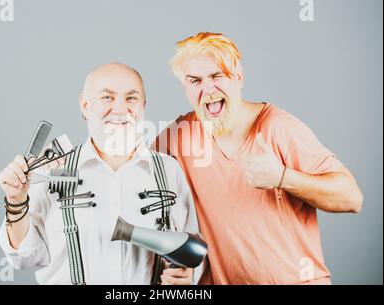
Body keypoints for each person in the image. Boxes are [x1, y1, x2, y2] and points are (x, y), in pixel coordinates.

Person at [154, 32, 363, 284]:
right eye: (195, 80)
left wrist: (283, 177)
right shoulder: (179, 136)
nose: (208, 89)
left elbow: (352, 198)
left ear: (238, 77)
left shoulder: (278, 127)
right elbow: (135, 180)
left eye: (217, 76)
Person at [0, 63, 204, 285]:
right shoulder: (50, 172)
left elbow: (192, 254)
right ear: (85, 105)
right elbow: (24, 258)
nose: (120, 109)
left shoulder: (169, 171)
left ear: (143, 106)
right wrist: (16, 200)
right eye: (107, 97)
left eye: (131, 98)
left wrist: (187, 277)